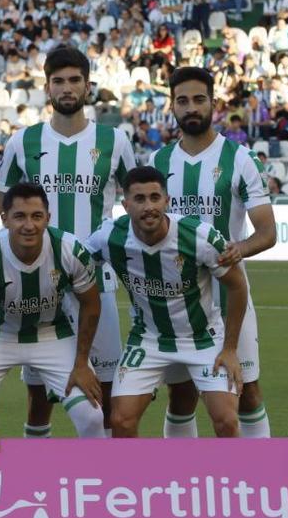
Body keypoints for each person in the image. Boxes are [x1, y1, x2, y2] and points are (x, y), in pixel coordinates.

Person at [0, 45, 135, 437]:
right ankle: (40, 467)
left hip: (96, 283)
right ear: (47, 88)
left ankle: (106, 469)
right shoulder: (24, 141)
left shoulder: (115, 141)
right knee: (39, 398)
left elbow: (136, 203)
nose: (67, 88)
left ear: (88, 86)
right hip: (38, 284)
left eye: (75, 80)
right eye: (59, 81)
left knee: (104, 392)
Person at [151, 66, 277, 439]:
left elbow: (267, 232)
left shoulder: (241, 159)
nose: (191, 107)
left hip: (228, 297)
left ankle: (258, 472)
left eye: (199, 99)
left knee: (247, 391)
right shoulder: (158, 163)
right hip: (176, 302)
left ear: (214, 103)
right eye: (182, 100)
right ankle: (183, 474)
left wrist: (236, 249)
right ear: (172, 106)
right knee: (181, 395)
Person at [85, 167, 249, 438]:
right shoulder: (108, 237)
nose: (148, 206)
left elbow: (238, 286)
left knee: (227, 420)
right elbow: (76, 267)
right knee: (121, 420)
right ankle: (131, 470)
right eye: (139, 199)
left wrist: (230, 348)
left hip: (204, 338)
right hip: (148, 339)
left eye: (154, 197)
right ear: (125, 205)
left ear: (167, 201)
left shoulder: (199, 237)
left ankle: (229, 468)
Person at [0, 182, 106, 453]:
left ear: (48, 217)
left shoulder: (70, 249)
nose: (29, 225)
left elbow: (91, 304)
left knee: (92, 416)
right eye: (19, 216)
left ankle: (92, 477)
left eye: (37, 216)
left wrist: (82, 363)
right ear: (4, 219)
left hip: (52, 333)